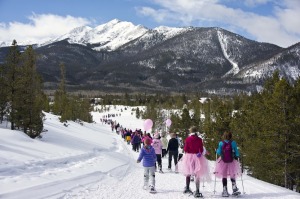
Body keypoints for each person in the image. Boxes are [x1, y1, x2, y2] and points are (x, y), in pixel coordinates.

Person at [177, 126, 210, 198]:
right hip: (198, 157)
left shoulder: (188, 139)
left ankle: (187, 187)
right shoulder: (199, 139)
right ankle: (197, 190)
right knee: (197, 174)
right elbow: (201, 149)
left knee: (188, 172)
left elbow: (185, 149)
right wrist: (198, 152)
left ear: (190, 132)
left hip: (189, 157)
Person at [214, 131, 241, 197]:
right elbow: (237, 152)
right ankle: (234, 188)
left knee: (224, 175)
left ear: (224, 136)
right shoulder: (233, 143)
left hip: (223, 161)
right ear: (231, 136)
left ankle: (225, 190)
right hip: (231, 161)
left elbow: (219, 152)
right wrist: (237, 155)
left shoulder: (221, 143)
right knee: (232, 174)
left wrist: (216, 151)